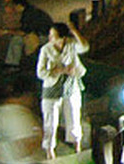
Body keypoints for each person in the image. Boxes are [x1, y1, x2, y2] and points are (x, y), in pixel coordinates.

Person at [36, 22, 89, 156]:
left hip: (70, 84)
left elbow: (84, 47)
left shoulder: (71, 45)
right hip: (52, 86)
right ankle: (49, 149)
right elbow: (40, 72)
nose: (50, 38)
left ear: (63, 38)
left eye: (53, 36)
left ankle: (77, 144)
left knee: (73, 115)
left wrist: (74, 31)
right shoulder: (46, 50)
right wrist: (57, 70)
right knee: (50, 119)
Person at [0, 0, 52, 70]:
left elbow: (24, 32)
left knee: (17, 39)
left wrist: (7, 31)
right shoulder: (30, 10)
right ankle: (12, 64)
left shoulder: (28, 14)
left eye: (13, 6)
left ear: (19, 5)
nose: (13, 8)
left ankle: (14, 65)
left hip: (44, 36)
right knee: (17, 38)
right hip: (46, 33)